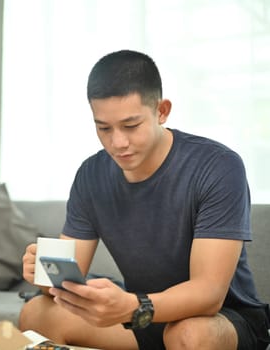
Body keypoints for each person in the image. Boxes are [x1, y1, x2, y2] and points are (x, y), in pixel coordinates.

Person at [19, 50, 270, 350]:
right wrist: (45, 273)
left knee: (188, 335)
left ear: (161, 111)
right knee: (36, 313)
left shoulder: (218, 166)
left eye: (130, 125)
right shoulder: (91, 175)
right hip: (140, 316)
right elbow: (66, 279)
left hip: (218, 319)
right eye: (104, 128)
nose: (117, 143)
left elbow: (208, 293)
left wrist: (131, 307)